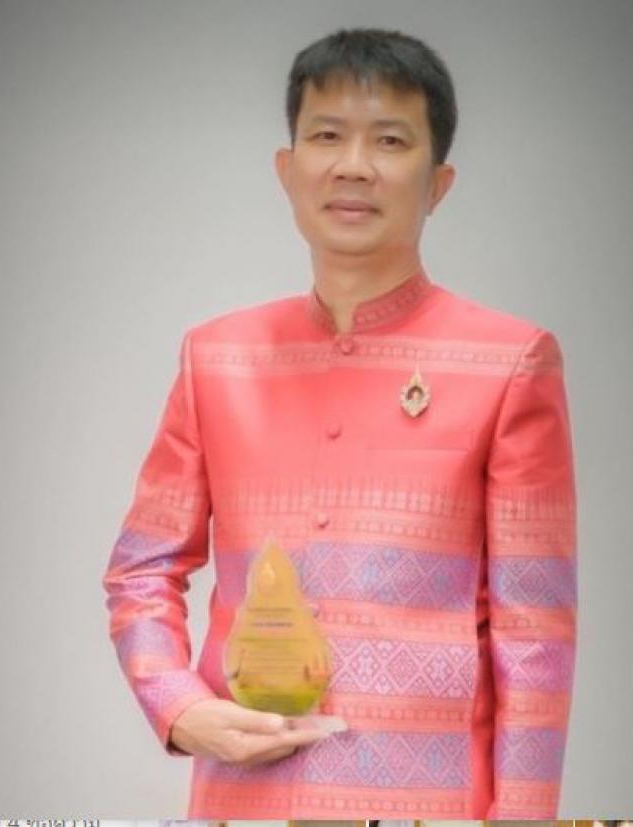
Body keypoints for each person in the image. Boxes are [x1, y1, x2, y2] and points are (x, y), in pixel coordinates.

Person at [102, 26, 578, 820]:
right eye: (326, 136)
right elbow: (139, 570)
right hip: (245, 797)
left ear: (439, 182)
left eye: (390, 140)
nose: (353, 165)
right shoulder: (216, 358)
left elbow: (535, 634)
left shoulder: (510, 361)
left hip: (431, 800)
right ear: (287, 170)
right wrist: (180, 707)